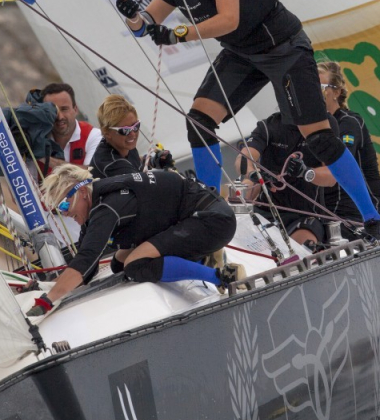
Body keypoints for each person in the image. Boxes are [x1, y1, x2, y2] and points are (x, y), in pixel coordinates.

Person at [114, 0, 380, 240]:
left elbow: (229, 19)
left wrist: (178, 33)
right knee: (199, 121)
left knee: (319, 138)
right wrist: (133, 17)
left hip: (284, 49)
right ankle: (208, 209)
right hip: (243, 53)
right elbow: (146, 25)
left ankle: (371, 217)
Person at [30, 164, 239, 315]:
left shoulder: (106, 207)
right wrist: (46, 287)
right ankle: (202, 257)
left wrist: (47, 301)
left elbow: (86, 259)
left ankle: (222, 276)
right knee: (118, 264)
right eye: (58, 210)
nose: (65, 213)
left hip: (213, 221)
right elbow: (87, 268)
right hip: (198, 219)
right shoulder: (98, 203)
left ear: (82, 192)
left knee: (134, 265)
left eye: (65, 205)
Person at [236, 112, 338, 247]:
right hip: (265, 212)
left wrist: (305, 172)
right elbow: (243, 159)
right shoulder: (269, 125)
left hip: (304, 216)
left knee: (303, 245)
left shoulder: (325, 123)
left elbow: (332, 177)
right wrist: (254, 174)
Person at [318, 61, 380, 234]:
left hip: (366, 207)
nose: (315, 92)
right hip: (330, 207)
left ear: (336, 92)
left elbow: (336, 165)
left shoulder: (349, 122)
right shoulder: (312, 126)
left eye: (321, 87)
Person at [90, 95, 175, 178]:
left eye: (136, 126)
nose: (133, 134)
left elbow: (133, 160)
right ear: (107, 133)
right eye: (125, 130)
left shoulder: (124, 145)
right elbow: (143, 184)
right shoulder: (111, 164)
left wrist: (152, 161)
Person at [39, 82, 101, 177]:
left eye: (64, 109)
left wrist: (46, 159)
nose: (59, 117)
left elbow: (92, 174)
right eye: (53, 111)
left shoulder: (93, 135)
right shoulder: (37, 138)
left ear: (75, 110)